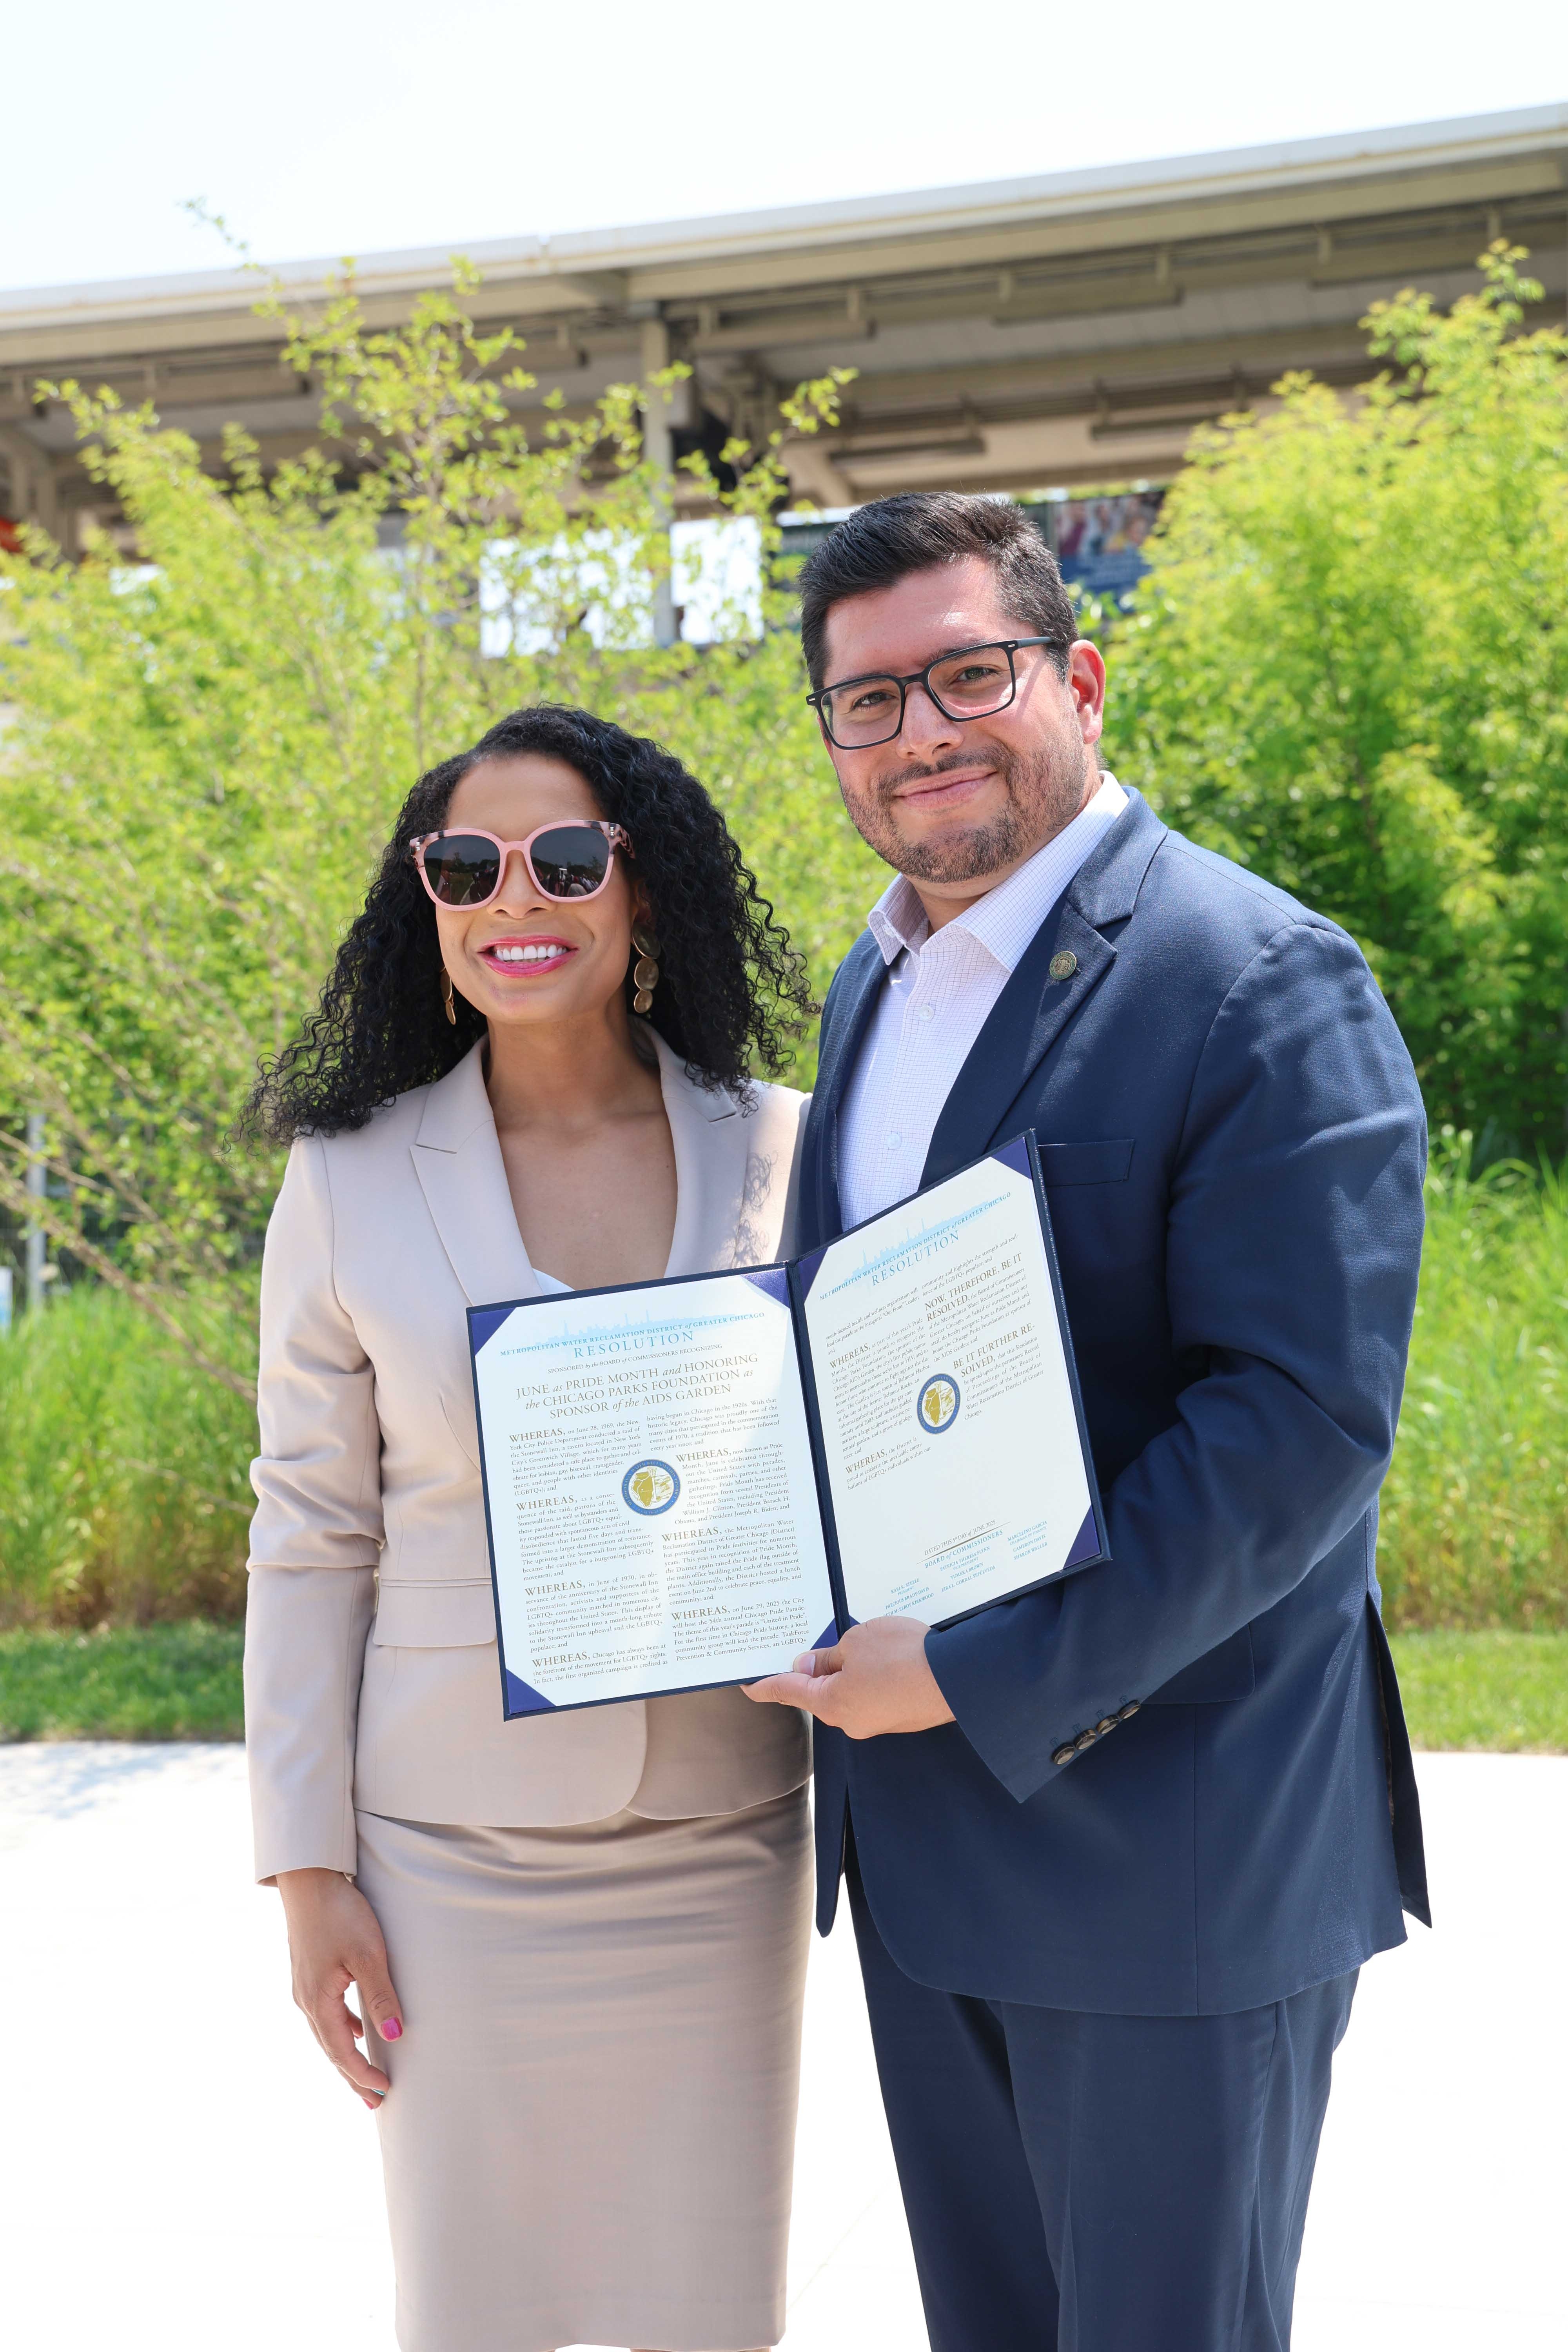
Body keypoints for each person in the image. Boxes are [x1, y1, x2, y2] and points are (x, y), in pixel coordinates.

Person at [746, 492, 1430, 2351]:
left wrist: (977, 1669)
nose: (920, 734)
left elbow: (1295, 1430)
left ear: (1081, 678)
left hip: (1170, 1862)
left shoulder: (1257, 981)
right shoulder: (873, 983)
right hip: (926, 1854)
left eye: (970, 674)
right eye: (866, 701)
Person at [243, 703, 816, 2352]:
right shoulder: (345, 1179)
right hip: (447, 1859)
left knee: (711, 2315)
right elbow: (309, 1531)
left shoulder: (783, 1143)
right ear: (424, 907)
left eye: (569, 860)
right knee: (475, 2314)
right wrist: (307, 1871)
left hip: (721, 1831)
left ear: (645, 898)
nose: (521, 897)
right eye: (468, 865)